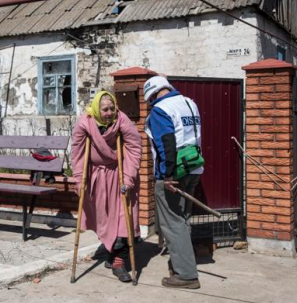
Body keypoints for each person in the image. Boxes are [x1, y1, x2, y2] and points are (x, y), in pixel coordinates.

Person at [71, 90, 142, 283]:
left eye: (112, 108)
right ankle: (111, 251)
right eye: (105, 109)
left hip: (120, 174)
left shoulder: (122, 120)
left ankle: (119, 261)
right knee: (104, 218)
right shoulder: (85, 122)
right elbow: (77, 152)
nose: (110, 112)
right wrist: (79, 179)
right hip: (97, 177)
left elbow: (134, 147)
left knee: (124, 218)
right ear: (96, 109)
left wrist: (128, 178)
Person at [143, 75, 203, 289]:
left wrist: (167, 176)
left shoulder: (160, 109)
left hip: (173, 173)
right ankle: (183, 262)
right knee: (183, 218)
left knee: (172, 222)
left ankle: (186, 275)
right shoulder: (189, 103)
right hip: (194, 168)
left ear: (152, 95)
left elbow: (166, 142)